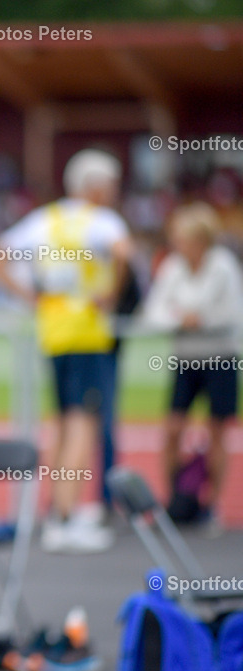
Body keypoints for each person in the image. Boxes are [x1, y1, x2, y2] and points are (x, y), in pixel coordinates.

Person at [0, 149, 133, 554]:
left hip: (53, 330)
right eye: (110, 185)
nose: (114, 193)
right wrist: (112, 293)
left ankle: (59, 510)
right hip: (87, 330)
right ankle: (66, 517)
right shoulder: (102, 221)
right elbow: (124, 254)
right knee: (83, 421)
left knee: (65, 422)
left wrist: (32, 297)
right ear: (95, 186)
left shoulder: (45, 219)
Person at [142, 202, 243, 535]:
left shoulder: (223, 267)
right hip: (185, 357)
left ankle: (211, 505)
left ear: (201, 239)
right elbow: (154, 311)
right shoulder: (172, 267)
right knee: (172, 428)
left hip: (220, 357)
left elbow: (228, 314)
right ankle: (176, 500)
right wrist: (182, 318)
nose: (179, 245)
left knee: (217, 431)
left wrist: (193, 318)